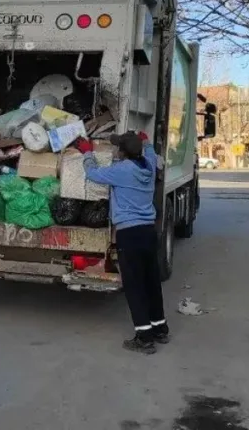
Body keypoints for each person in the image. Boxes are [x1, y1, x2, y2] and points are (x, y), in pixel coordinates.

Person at [73, 131, 167, 354]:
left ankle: (144, 337)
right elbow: (151, 151)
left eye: (117, 148)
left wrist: (88, 153)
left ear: (123, 152)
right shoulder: (150, 165)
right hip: (148, 231)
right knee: (151, 282)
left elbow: (93, 174)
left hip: (129, 233)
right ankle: (160, 328)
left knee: (134, 286)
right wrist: (147, 141)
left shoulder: (121, 171)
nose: (115, 150)